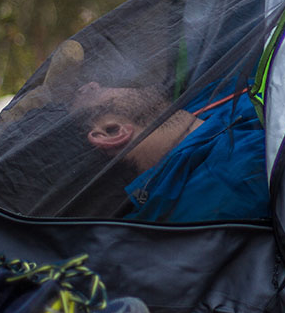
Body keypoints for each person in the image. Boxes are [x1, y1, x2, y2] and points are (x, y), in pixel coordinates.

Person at [70, 81, 269, 223]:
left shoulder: (199, 106)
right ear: (112, 131)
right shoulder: (234, 182)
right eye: (89, 95)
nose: (92, 83)